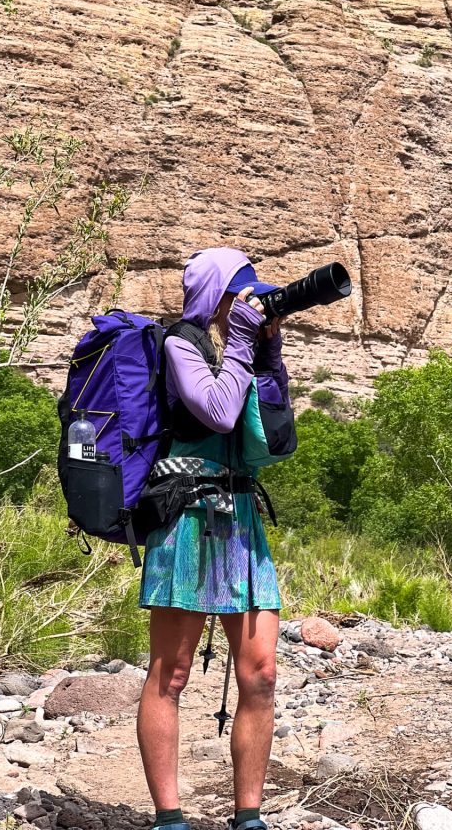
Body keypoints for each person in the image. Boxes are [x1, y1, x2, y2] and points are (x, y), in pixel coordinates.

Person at [137, 247, 291, 830]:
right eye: (239, 294)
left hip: (242, 522)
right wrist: (247, 345)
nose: (247, 303)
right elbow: (219, 413)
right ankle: (170, 817)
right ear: (215, 296)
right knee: (170, 674)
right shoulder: (182, 343)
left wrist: (269, 350)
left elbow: (271, 439)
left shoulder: (246, 350)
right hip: (188, 520)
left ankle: (248, 815)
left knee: (261, 672)